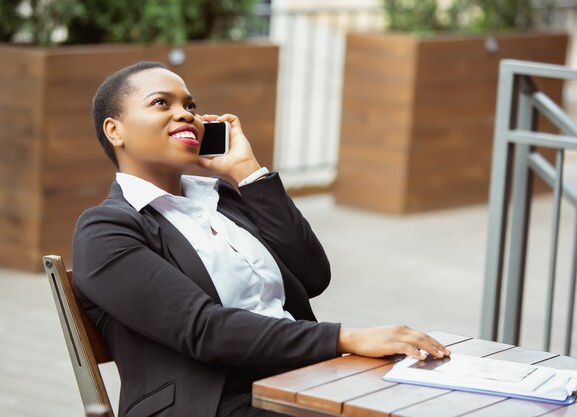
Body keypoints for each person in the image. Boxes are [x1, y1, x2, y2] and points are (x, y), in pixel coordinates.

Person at [72, 61, 450, 417]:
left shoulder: (221, 199)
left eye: (191, 105)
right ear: (115, 130)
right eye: (160, 103)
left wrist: (248, 173)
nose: (185, 113)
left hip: (297, 381)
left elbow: (313, 276)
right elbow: (204, 330)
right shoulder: (106, 230)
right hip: (212, 403)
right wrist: (344, 338)